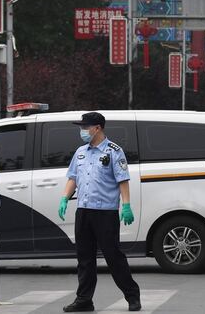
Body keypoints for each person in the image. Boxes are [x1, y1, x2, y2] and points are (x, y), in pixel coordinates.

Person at [58, 112, 141, 312]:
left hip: (105, 213)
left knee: (113, 256)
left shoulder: (114, 151)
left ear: (98, 128)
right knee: (84, 259)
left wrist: (126, 205)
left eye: (85, 127)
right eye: (81, 127)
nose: (82, 131)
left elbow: (122, 180)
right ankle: (84, 300)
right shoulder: (80, 152)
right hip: (84, 212)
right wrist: (64, 198)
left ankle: (132, 296)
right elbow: (73, 178)